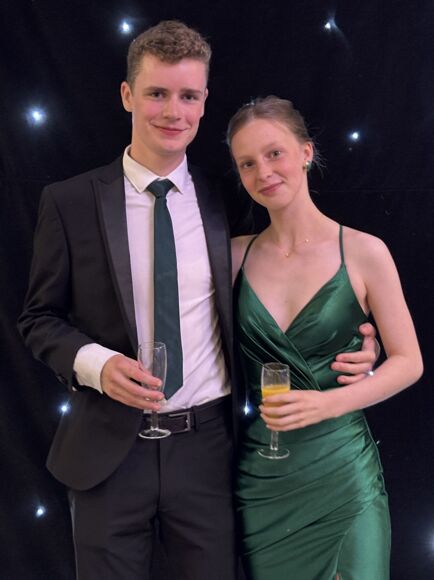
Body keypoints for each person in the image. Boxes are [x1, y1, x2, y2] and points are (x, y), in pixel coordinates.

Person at [18, 21, 377, 580]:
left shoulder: (227, 196)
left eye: (188, 96)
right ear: (127, 95)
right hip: (107, 448)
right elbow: (38, 318)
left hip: (209, 448)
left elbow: (280, 283)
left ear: (205, 102)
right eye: (157, 93)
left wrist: (352, 342)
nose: (173, 111)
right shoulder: (69, 202)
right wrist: (97, 364)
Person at [228, 95, 423, 580]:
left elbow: (409, 361)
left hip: (342, 472)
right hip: (263, 478)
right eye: (247, 163)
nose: (263, 172)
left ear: (306, 152)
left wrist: (330, 402)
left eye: (274, 153)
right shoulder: (231, 256)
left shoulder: (364, 251)